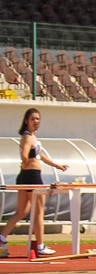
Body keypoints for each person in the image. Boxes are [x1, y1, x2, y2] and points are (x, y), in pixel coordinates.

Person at [0, 109, 69, 258]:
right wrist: (25, 164)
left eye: (38, 119)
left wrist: (57, 165)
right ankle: (40, 246)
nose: (36, 121)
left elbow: (41, 155)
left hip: (27, 176)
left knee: (21, 212)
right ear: (26, 121)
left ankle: (1, 239)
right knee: (38, 212)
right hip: (32, 177)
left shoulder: (33, 137)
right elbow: (25, 154)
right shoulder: (27, 137)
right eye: (33, 119)